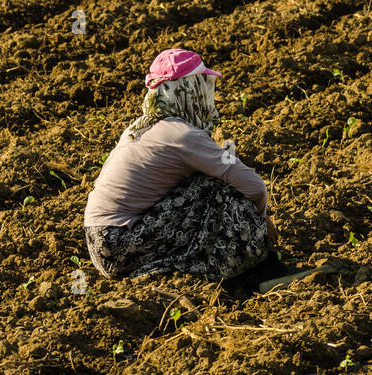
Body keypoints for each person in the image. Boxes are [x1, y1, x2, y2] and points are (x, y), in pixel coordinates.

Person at [84, 49, 311, 290]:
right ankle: (262, 270)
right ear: (189, 90)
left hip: (102, 244)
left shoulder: (138, 129)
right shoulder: (181, 134)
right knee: (216, 186)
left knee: (202, 186)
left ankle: (225, 269)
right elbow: (254, 186)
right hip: (120, 244)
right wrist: (261, 219)